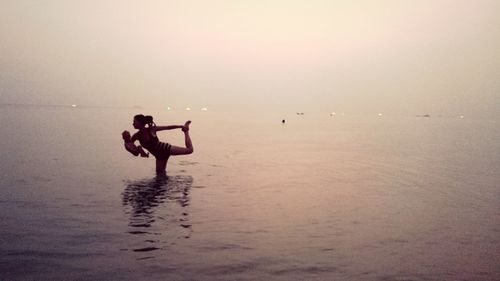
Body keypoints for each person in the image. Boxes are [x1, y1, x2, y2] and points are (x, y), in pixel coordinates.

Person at [125, 114, 194, 174]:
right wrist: (126, 139)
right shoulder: (136, 136)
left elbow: (167, 127)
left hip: (166, 149)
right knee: (160, 175)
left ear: (140, 122)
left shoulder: (152, 129)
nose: (133, 123)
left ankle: (186, 131)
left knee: (190, 150)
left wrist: (181, 126)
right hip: (159, 156)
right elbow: (131, 147)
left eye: (134, 121)